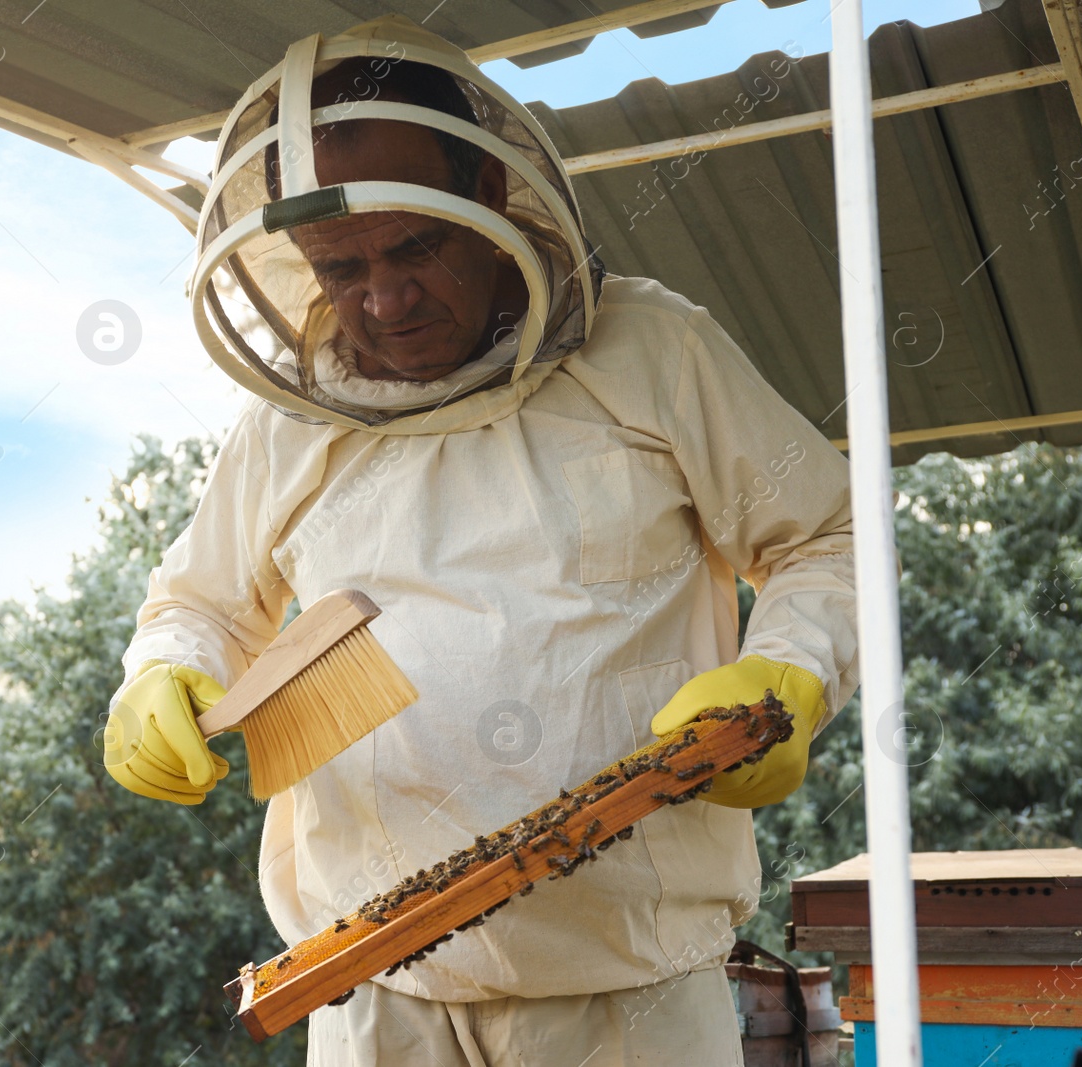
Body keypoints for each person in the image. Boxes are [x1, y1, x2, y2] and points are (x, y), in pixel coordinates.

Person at [104, 16, 856, 1066]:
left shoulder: (650, 350)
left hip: (626, 990)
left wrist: (790, 671)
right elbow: (199, 604)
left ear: (491, 197)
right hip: (369, 985)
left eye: (415, 246)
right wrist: (162, 673)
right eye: (339, 266)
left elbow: (828, 533)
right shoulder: (286, 422)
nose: (383, 296)